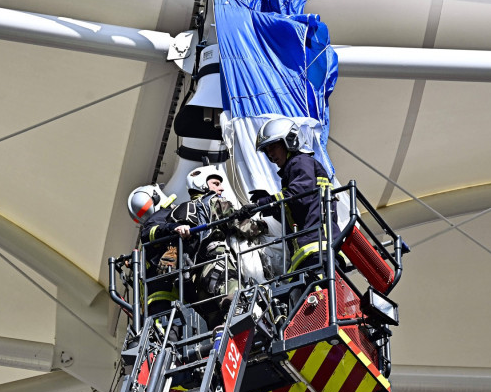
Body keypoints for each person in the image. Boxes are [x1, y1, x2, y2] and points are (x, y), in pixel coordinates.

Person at [170, 166, 266, 326]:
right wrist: (263, 224)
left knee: (216, 323)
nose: (220, 188)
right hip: (218, 266)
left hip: (194, 280)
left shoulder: (178, 212)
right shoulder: (214, 201)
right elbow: (244, 227)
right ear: (201, 183)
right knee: (236, 306)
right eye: (215, 183)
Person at [249, 117, 340, 276]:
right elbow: (296, 211)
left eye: (273, 146)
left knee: (320, 296)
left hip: (318, 251)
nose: (270, 155)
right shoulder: (294, 170)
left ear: (290, 141)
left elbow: (300, 195)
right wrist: (267, 205)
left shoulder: (300, 161)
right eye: (267, 151)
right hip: (309, 253)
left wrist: (263, 203)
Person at [127, 184, 190, 317]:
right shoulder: (160, 218)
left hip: (159, 299)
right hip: (166, 297)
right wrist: (174, 227)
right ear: (155, 197)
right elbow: (150, 233)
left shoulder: (150, 235)